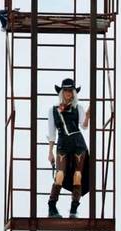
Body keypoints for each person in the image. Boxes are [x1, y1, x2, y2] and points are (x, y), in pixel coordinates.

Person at [46, 78, 90, 218]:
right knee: (60, 174)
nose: (68, 93)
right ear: (62, 92)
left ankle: (73, 209)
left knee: (78, 175)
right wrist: (50, 152)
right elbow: (52, 133)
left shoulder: (78, 108)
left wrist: (88, 115)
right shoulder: (54, 110)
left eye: (70, 91)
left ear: (73, 93)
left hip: (78, 144)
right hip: (63, 144)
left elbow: (84, 126)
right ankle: (52, 206)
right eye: (65, 90)